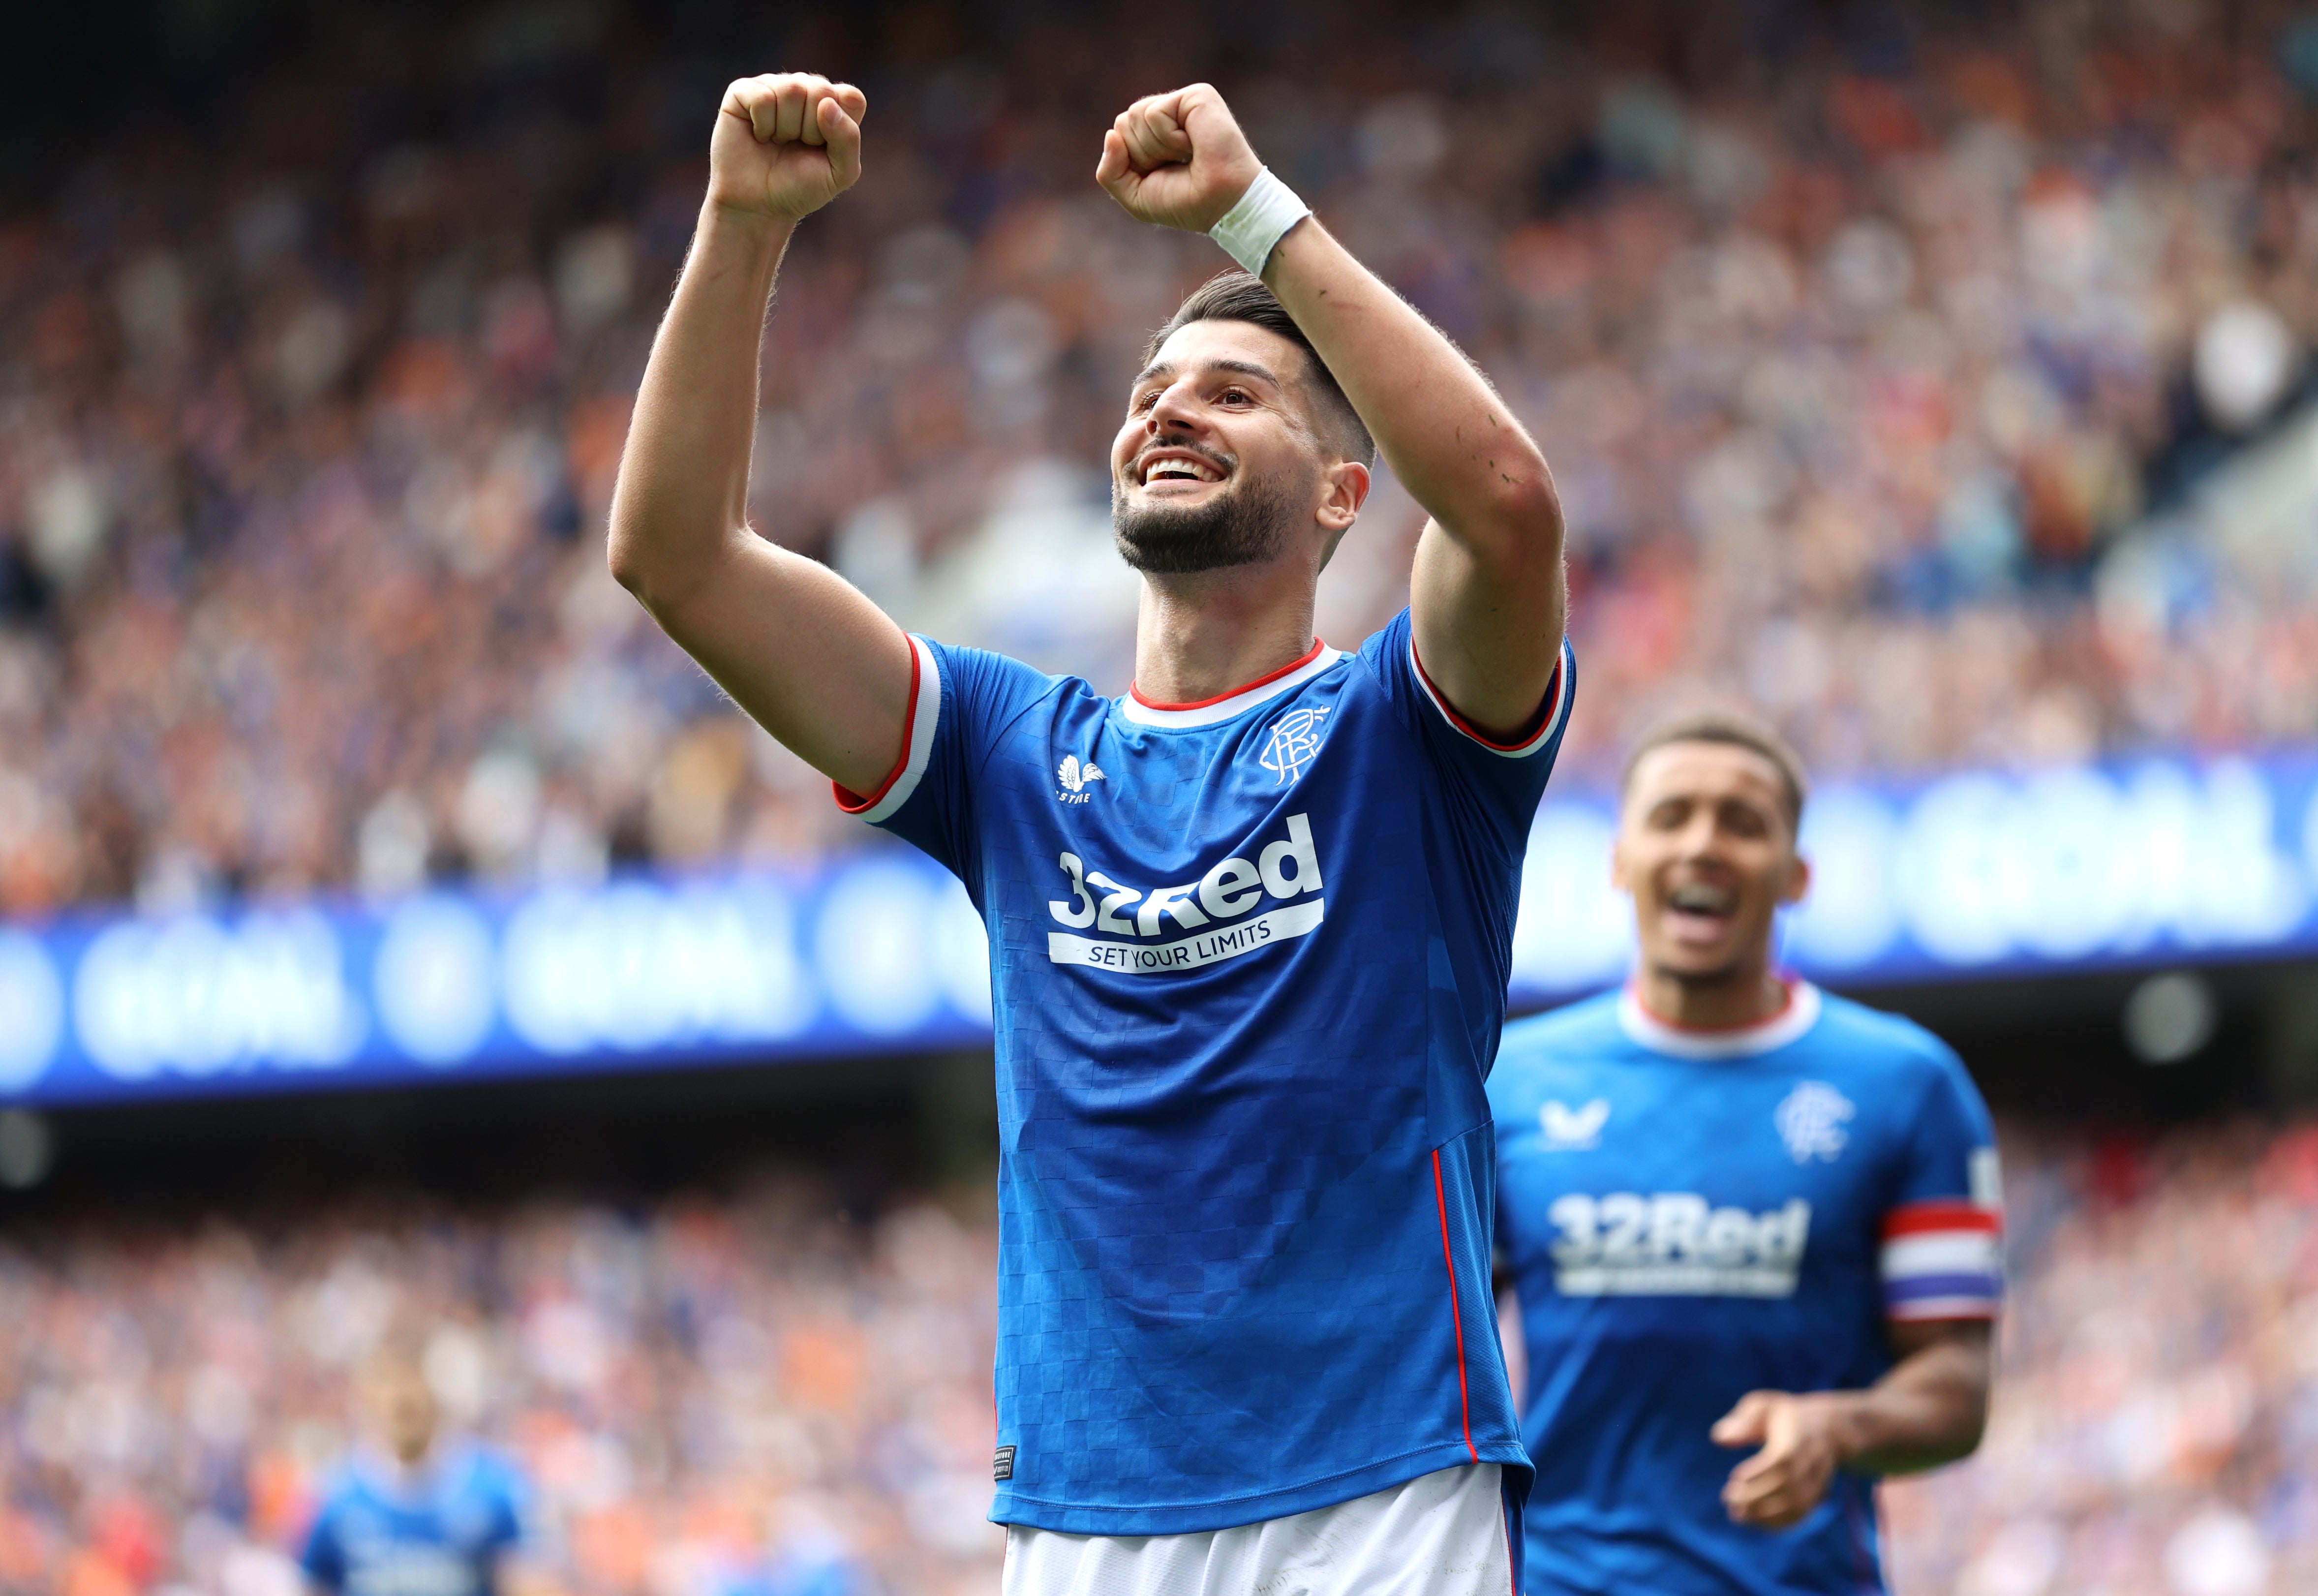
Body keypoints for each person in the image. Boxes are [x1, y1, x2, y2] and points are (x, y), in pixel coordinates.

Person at [610, 74, 1571, 1594]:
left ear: (1341, 491)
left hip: (1380, 1491)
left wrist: (1257, 219)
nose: (1168, 407)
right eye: (1148, 392)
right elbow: (675, 558)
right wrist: (741, 222)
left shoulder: (1410, 725)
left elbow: (1508, 501)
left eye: (1234, 392)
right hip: (1083, 1514)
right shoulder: (1005, 748)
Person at [1489, 711, 2000, 1594]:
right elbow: (1429, 1343)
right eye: (1671, 814)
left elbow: (1956, 1384)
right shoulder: (1508, 1084)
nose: (1703, 844)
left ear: (1796, 874)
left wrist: (1836, 1427)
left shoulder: (1906, 1084)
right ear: (1618, 859)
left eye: (1742, 821)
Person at [299, 1339, 539, 1596]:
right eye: (390, 1388)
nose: (403, 1398)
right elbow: (313, 1584)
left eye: (415, 1388)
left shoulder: (495, 1489)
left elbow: (524, 1581)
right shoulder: (333, 1494)